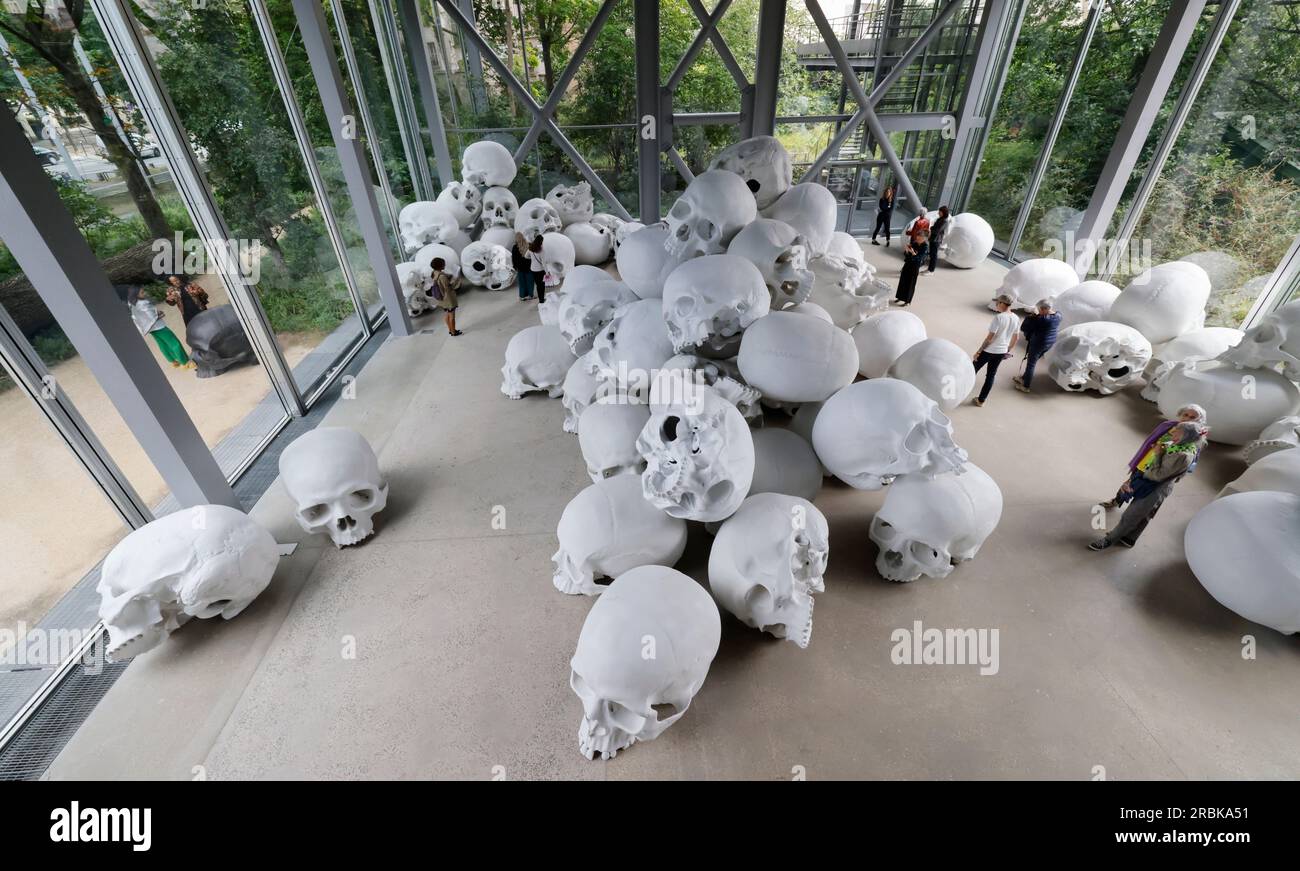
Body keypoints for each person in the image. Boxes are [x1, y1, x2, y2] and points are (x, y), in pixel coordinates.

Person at [1090, 419, 1209, 550]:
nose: (1173, 433)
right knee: (1144, 514)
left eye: (1177, 433)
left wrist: (1158, 454)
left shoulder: (1182, 455)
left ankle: (1109, 540)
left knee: (1131, 515)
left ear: (1186, 436)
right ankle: (1129, 538)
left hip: (1154, 487)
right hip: (1153, 483)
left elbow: (1156, 475)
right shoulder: (1180, 445)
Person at [1100, 405, 1208, 510]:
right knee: (1131, 480)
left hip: (1161, 467)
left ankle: (1133, 510)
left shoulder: (1195, 437)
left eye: (1192, 417)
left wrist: (1180, 474)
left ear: (1199, 420)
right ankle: (1117, 500)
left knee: (1144, 489)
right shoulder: (1168, 425)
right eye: (1185, 415)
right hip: (1148, 459)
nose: (1187, 419)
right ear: (1180, 415)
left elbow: (1193, 458)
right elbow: (1151, 440)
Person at [970, 293, 1019, 407]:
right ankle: (981, 400)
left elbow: (990, 338)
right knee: (991, 375)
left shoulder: (999, 317)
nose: (996, 305)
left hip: (989, 350)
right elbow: (1016, 338)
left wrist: (979, 351)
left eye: (997, 302)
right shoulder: (1015, 318)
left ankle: (959, 391)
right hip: (1001, 352)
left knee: (972, 370)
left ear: (1002, 303)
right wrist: (1007, 350)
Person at [127, 285, 193, 368]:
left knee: (162, 344)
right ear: (136, 294)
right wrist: (159, 314)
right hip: (158, 327)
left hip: (149, 329)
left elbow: (137, 317)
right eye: (142, 292)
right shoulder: (143, 303)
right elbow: (151, 316)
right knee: (174, 342)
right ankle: (185, 362)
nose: (144, 293)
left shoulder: (132, 304)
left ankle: (173, 361)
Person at [1014, 298, 1061, 392]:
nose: (1038, 311)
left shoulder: (1041, 319)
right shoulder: (1059, 315)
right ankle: (1023, 378)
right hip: (1050, 343)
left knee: (1031, 364)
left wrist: (1031, 317)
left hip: (1038, 344)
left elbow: (1024, 328)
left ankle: (1026, 386)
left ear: (1044, 309)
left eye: (1039, 309)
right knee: (1033, 361)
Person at [894, 228, 928, 307]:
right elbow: (906, 254)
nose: (917, 239)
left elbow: (920, 258)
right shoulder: (914, 243)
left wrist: (913, 253)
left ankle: (907, 301)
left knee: (910, 283)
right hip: (908, 263)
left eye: (919, 238)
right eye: (917, 237)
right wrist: (906, 250)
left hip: (915, 266)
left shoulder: (925, 247)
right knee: (903, 280)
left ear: (924, 239)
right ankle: (900, 297)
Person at [429, 256, 462, 336]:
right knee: (452, 316)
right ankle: (454, 332)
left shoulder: (434, 273)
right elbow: (449, 288)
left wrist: (449, 276)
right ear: (440, 265)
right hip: (448, 299)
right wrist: (457, 280)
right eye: (443, 264)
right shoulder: (442, 277)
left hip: (442, 299)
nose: (445, 265)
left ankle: (450, 330)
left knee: (447, 314)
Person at [926, 206, 950, 274]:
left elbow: (938, 230)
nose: (938, 212)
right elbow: (935, 228)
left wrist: (931, 229)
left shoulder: (945, 221)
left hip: (936, 239)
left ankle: (931, 271)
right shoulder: (940, 219)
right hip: (933, 238)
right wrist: (932, 228)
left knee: (934, 255)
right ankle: (929, 269)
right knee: (931, 254)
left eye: (940, 211)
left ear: (943, 212)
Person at [513, 232, 535, 301]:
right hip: (529, 267)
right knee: (530, 282)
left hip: (520, 268)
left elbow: (514, 259)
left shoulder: (515, 247)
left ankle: (522, 296)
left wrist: (515, 267)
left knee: (522, 282)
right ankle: (530, 295)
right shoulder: (529, 245)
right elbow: (533, 256)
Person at [528, 235, 546, 305]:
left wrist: (532, 259)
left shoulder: (530, 248)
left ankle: (540, 299)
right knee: (542, 285)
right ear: (541, 241)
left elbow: (526, 256)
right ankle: (542, 299)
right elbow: (544, 263)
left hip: (533, 269)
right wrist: (547, 273)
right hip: (540, 270)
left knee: (538, 285)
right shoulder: (541, 250)